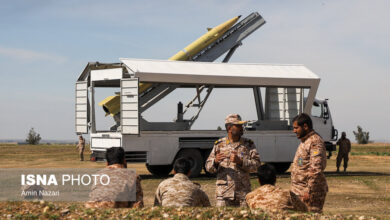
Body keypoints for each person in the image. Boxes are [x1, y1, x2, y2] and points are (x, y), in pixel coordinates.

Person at [205, 114, 261, 207]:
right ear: (229, 128)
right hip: (223, 195)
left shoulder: (248, 144)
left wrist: (241, 162)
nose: (241, 128)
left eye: (241, 125)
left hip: (243, 194)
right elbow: (208, 167)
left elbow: (257, 165)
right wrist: (215, 162)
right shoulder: (219, 145)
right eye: (238, 125)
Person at [290, 113, 328, 213]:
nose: (294, 131)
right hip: (299, 192)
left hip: (308, 194)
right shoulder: (305, 141)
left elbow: (316, 170)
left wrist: (309, 191)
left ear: (305, 126)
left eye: (296, 128)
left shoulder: (315, 142)